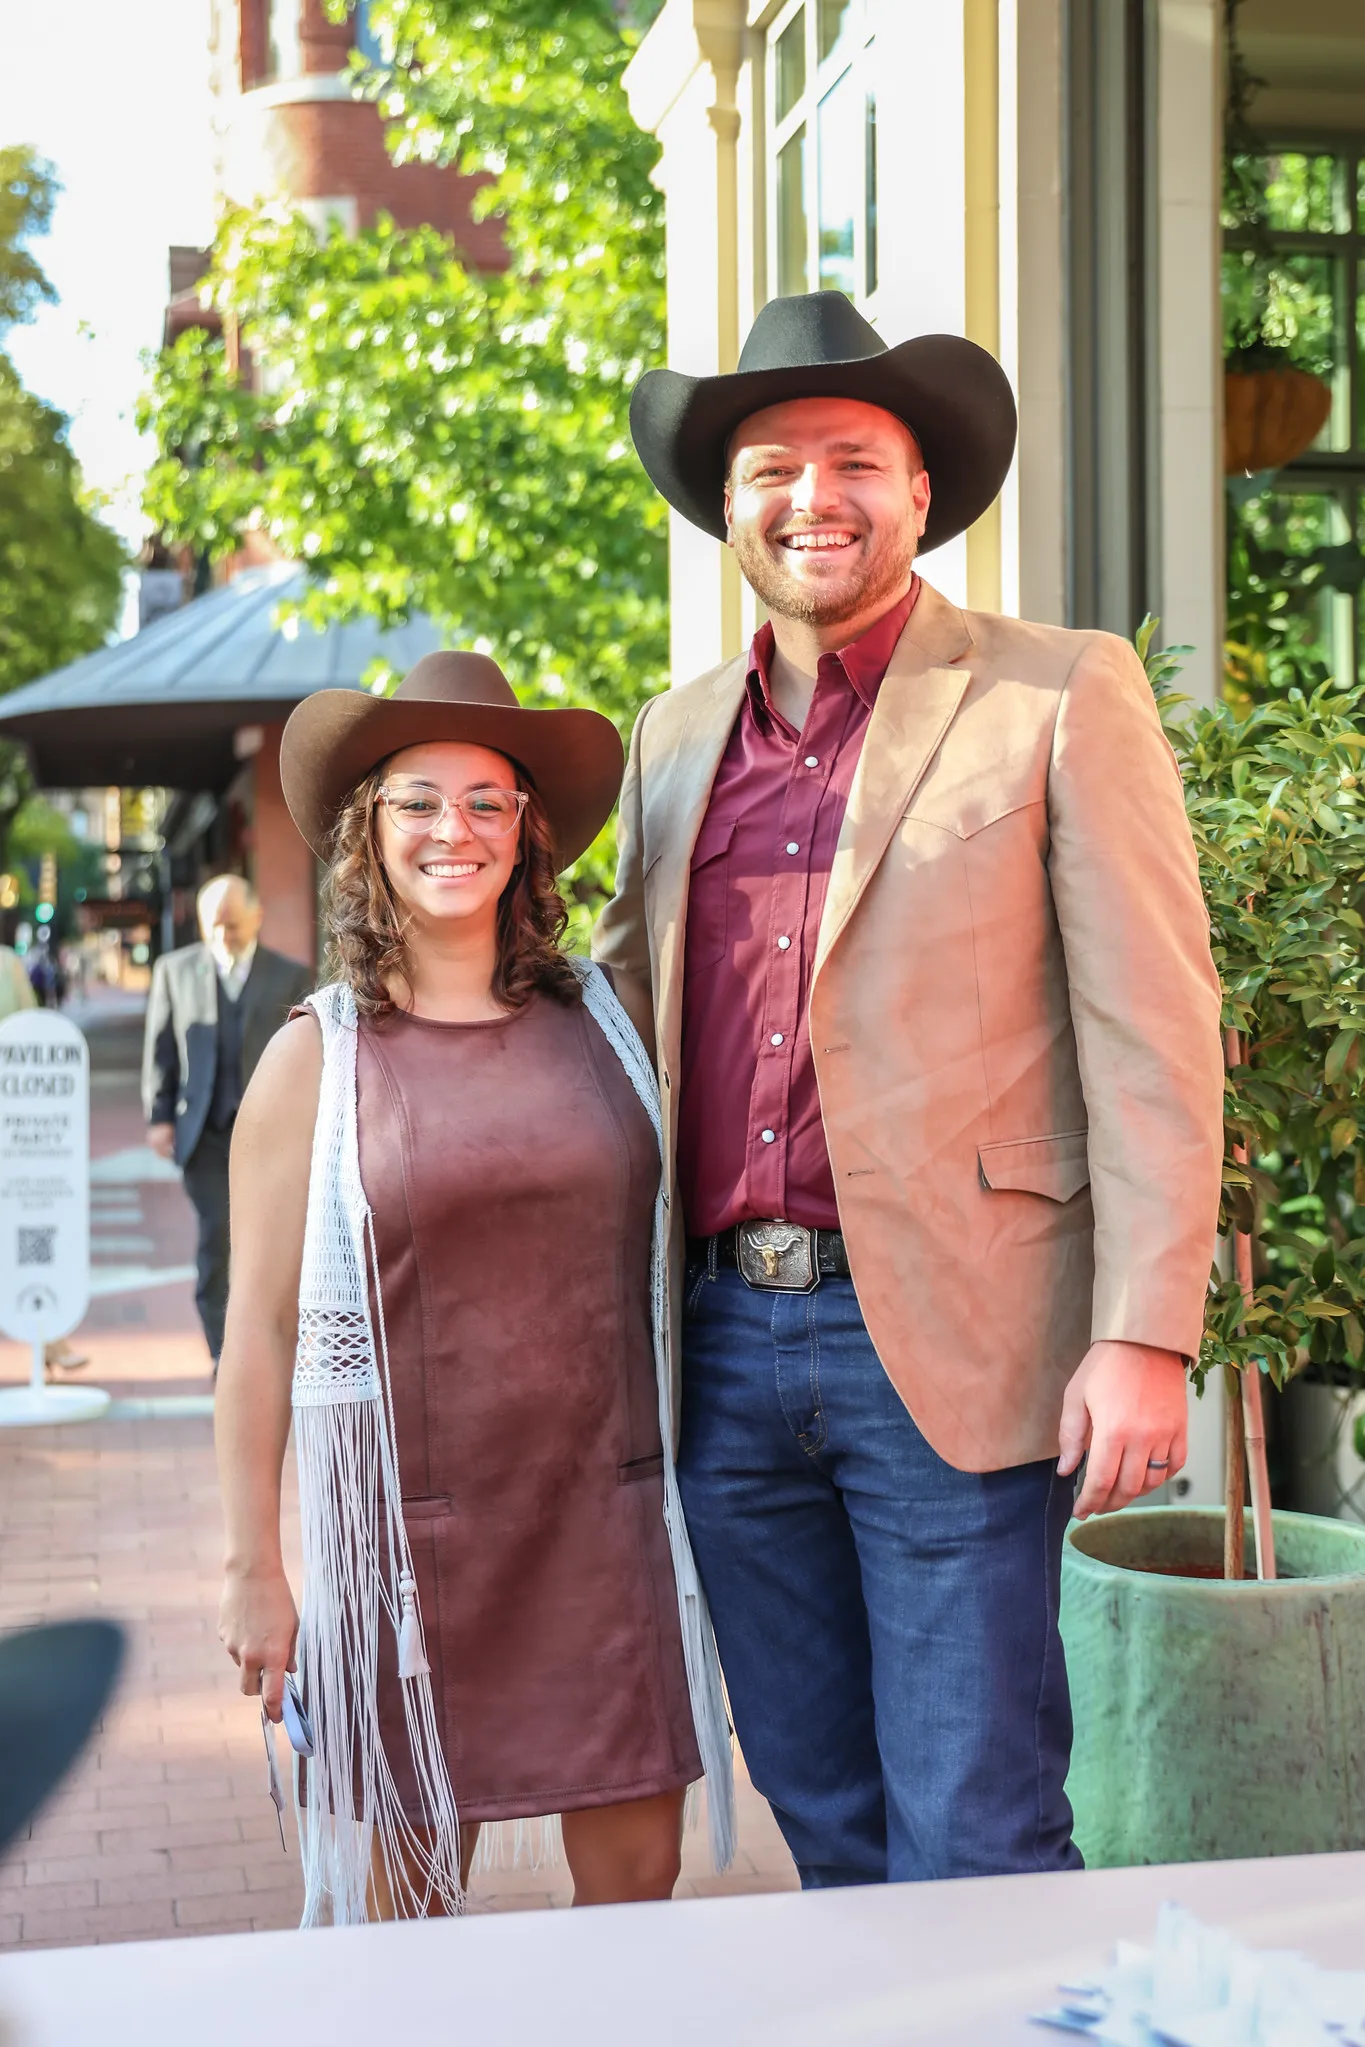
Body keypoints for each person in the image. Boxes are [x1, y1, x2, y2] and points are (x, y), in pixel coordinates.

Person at [594, 290, 1226, 1888]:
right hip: (723, 1350)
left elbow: (1154, 1021)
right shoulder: (670, 742)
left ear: (920, 491)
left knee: (979, 1822)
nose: (815, 497)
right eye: (773, 469)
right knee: (830, 1822)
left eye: (853, 460)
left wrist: (1144, 1332)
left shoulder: (1057, 691)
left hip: (950, 1336)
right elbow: (605, 1018)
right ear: (724, 508)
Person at [214, 653, 732, 1926]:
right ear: (369, 832)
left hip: (604, 1526)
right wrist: (253, 1568)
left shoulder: (615, 1019)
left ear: (526, 833)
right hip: (409, 1547)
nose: (456, 830)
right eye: (420, 802)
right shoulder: (312, 1064)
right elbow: (262, 1332)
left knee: (635, 1896)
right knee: (404, 1928)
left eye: (488, 802)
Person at [141, 876, 314, 1368]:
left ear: (257, 917)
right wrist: (159, 1115)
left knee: (273, 1243)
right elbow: (161, 1050)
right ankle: (226, 1354)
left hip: (273, 1139)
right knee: (219, 1235)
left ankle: (275, 1344)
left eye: (232, 925)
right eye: (213, 926)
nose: (222, 936)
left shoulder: (291, 975)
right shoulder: (175, 971)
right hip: (206, 1136)